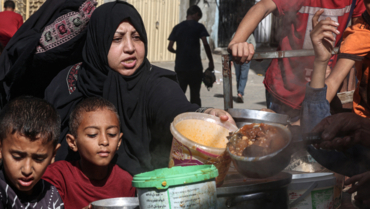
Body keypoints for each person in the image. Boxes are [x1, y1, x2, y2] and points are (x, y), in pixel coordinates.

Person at [44, 1, 234, 176]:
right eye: (117, 39)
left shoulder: (154, 82)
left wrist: (206, 115)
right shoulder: (69, 82)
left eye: (137, 37)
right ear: (98, 42)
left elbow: (176, 109)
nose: (130, 48)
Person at [228, 0, 365, 123]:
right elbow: (263, 6)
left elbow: (356, 36)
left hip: (323, 86)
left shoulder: (357, 3)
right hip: (284, 88)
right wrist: (237, 41)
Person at [42, 97, 135, 209]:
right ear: (72, 142)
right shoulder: (58, 177)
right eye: (92, 134)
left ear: (119, 141)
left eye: (111, 134)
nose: (104, 141)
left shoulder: (125, 182)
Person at [0, 96, 63, 208]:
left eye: (39, 159)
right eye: (17, 157)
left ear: (53, 154)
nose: (27, 170)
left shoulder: (52, 197)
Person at [167, 5, 214, 106]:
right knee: (195, 96)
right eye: (199, 17)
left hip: (180, 68)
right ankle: (195, 117)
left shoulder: (177, 27)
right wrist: (211, 61)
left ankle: (178, 117)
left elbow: (170, 47)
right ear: (196, 14)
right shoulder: (199, 26)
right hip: (195, 68)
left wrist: (179, 52)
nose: (198, 19)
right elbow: (205, 44)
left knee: (179, 95)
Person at [231, 32, 256, 103]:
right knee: (243, 76)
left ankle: (239, 92)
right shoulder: (250, 34)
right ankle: (240, 93)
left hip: (237, 57)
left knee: (238, 76)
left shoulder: (235, 34)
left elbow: (231, 45)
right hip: (244, 58)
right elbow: (254, 45)